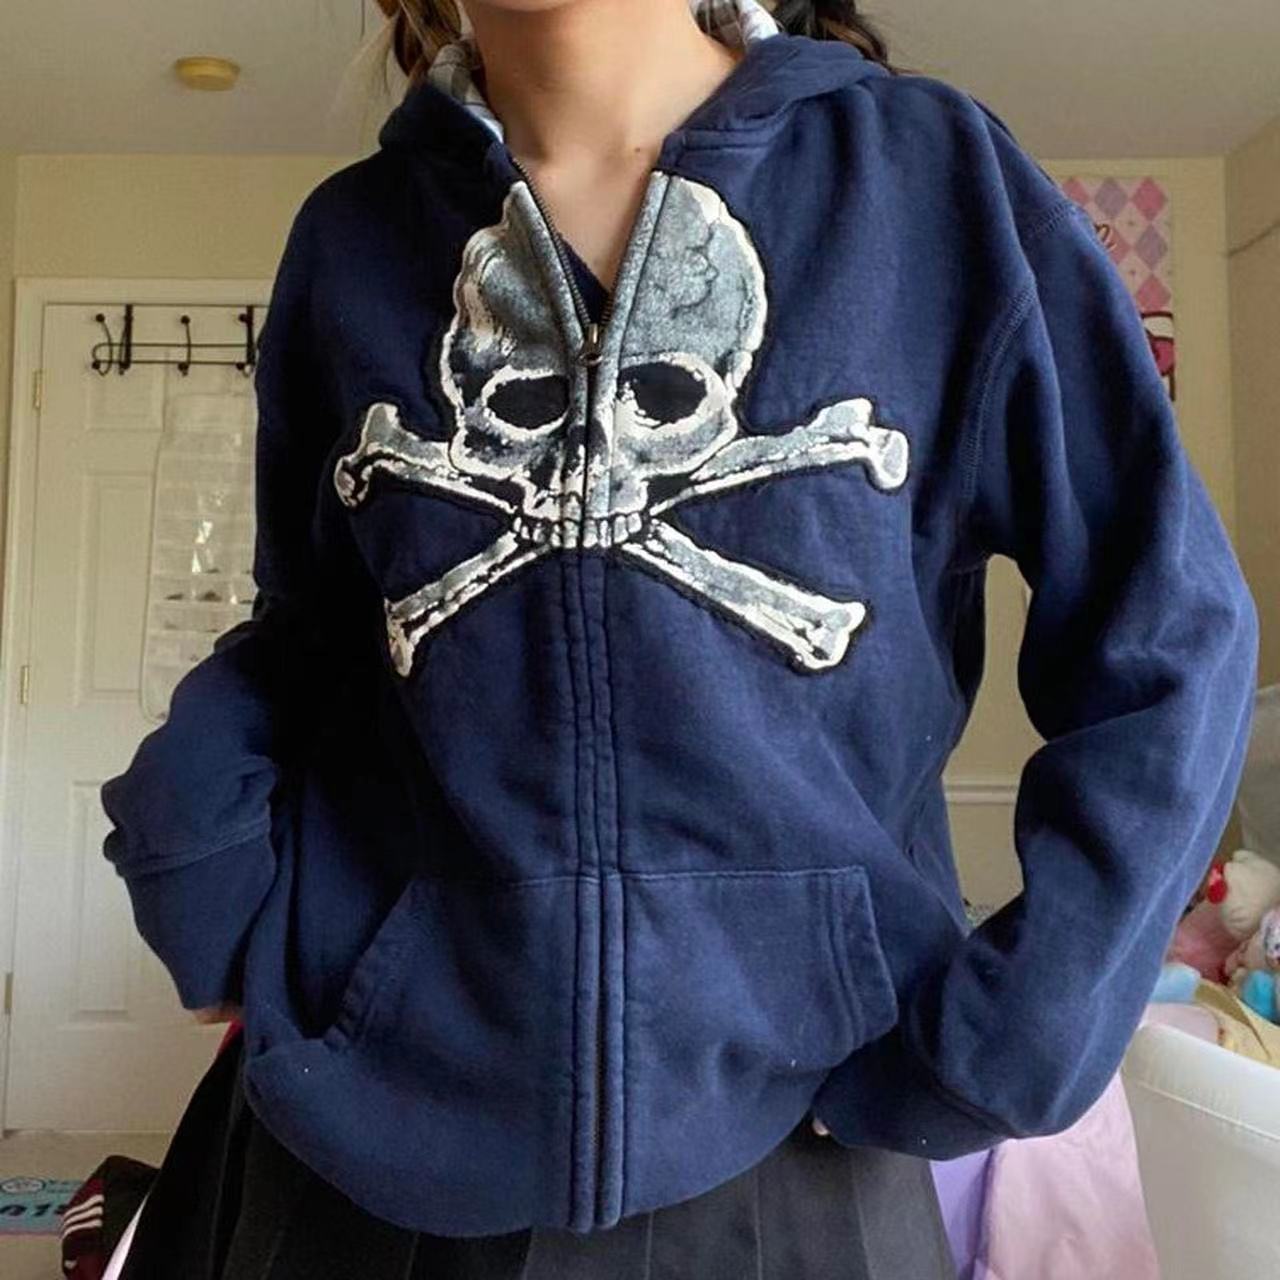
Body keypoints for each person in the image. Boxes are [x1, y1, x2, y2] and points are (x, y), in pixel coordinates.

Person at [101, 0, 1260, 1276]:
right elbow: (310, 635)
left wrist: (1013, 1036)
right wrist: (194, 856)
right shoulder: (350, 237)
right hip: (365, 1150)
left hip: (800, 1147)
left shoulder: (933, 182)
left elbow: (1169, 630)